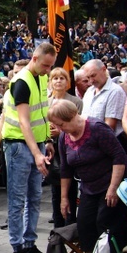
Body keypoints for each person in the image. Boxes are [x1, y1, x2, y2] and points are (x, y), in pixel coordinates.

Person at [47, 100, 127, 253]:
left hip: (110, 182)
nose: (60, 129)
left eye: (61, 125)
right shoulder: (64, 137)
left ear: (72, 116)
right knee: (85, 223)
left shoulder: (97, 128)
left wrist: (113, 188)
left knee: (104, 222)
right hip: (88, 185)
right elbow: (65, 169)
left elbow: (119, 157)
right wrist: (64, 198)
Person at [0, 42, 56, 253]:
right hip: (18, 146)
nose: (48, 71)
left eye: (50, 66)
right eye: (45, 65)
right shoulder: (21, 81)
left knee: (34, 197)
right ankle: (17, 246)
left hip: (36, 144)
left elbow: (39, 114)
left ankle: (29, 243)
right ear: (34, 58)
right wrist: (37, 152)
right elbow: (23, 121)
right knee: (18, 199)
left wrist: (47, 141)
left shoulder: (40, 77)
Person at [47, 68, 81, 228]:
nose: (58, 81)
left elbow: (77, 125)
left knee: (70, 186)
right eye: (55, 78)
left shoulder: (75, 102)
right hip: (51, 148)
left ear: (67, 82)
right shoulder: (46, 101)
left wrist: (60, 131)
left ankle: (70, 223)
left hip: (69, 147)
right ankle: (58, 226)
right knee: (55, 188)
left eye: (62, 78)